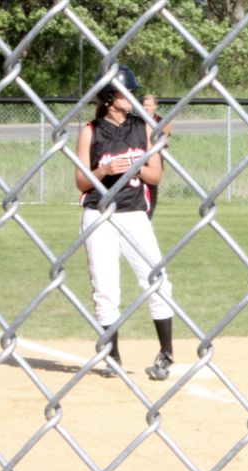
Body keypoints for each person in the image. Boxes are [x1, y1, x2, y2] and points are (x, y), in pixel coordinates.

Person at [74, 65, 175, 381]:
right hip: (98, 214)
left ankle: (166, 353)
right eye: (124, 92)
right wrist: (103, 171)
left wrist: (134, 168)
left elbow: (156, 175)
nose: (131, 97)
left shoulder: (143, 127)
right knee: (105, 289)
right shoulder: (90, 130)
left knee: (157, 281)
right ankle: (113, 356)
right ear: (107, 96)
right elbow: (81, 182)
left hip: (134, 213)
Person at [141, 94, 171, 219]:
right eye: (144, 105)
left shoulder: (161, 121)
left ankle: (148, 218)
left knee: (152, 193)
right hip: (138, 162)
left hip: (154, 162)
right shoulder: (136, 121)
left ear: (155, 106)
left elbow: (166, 141)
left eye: (150, 105)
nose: (147, 108)